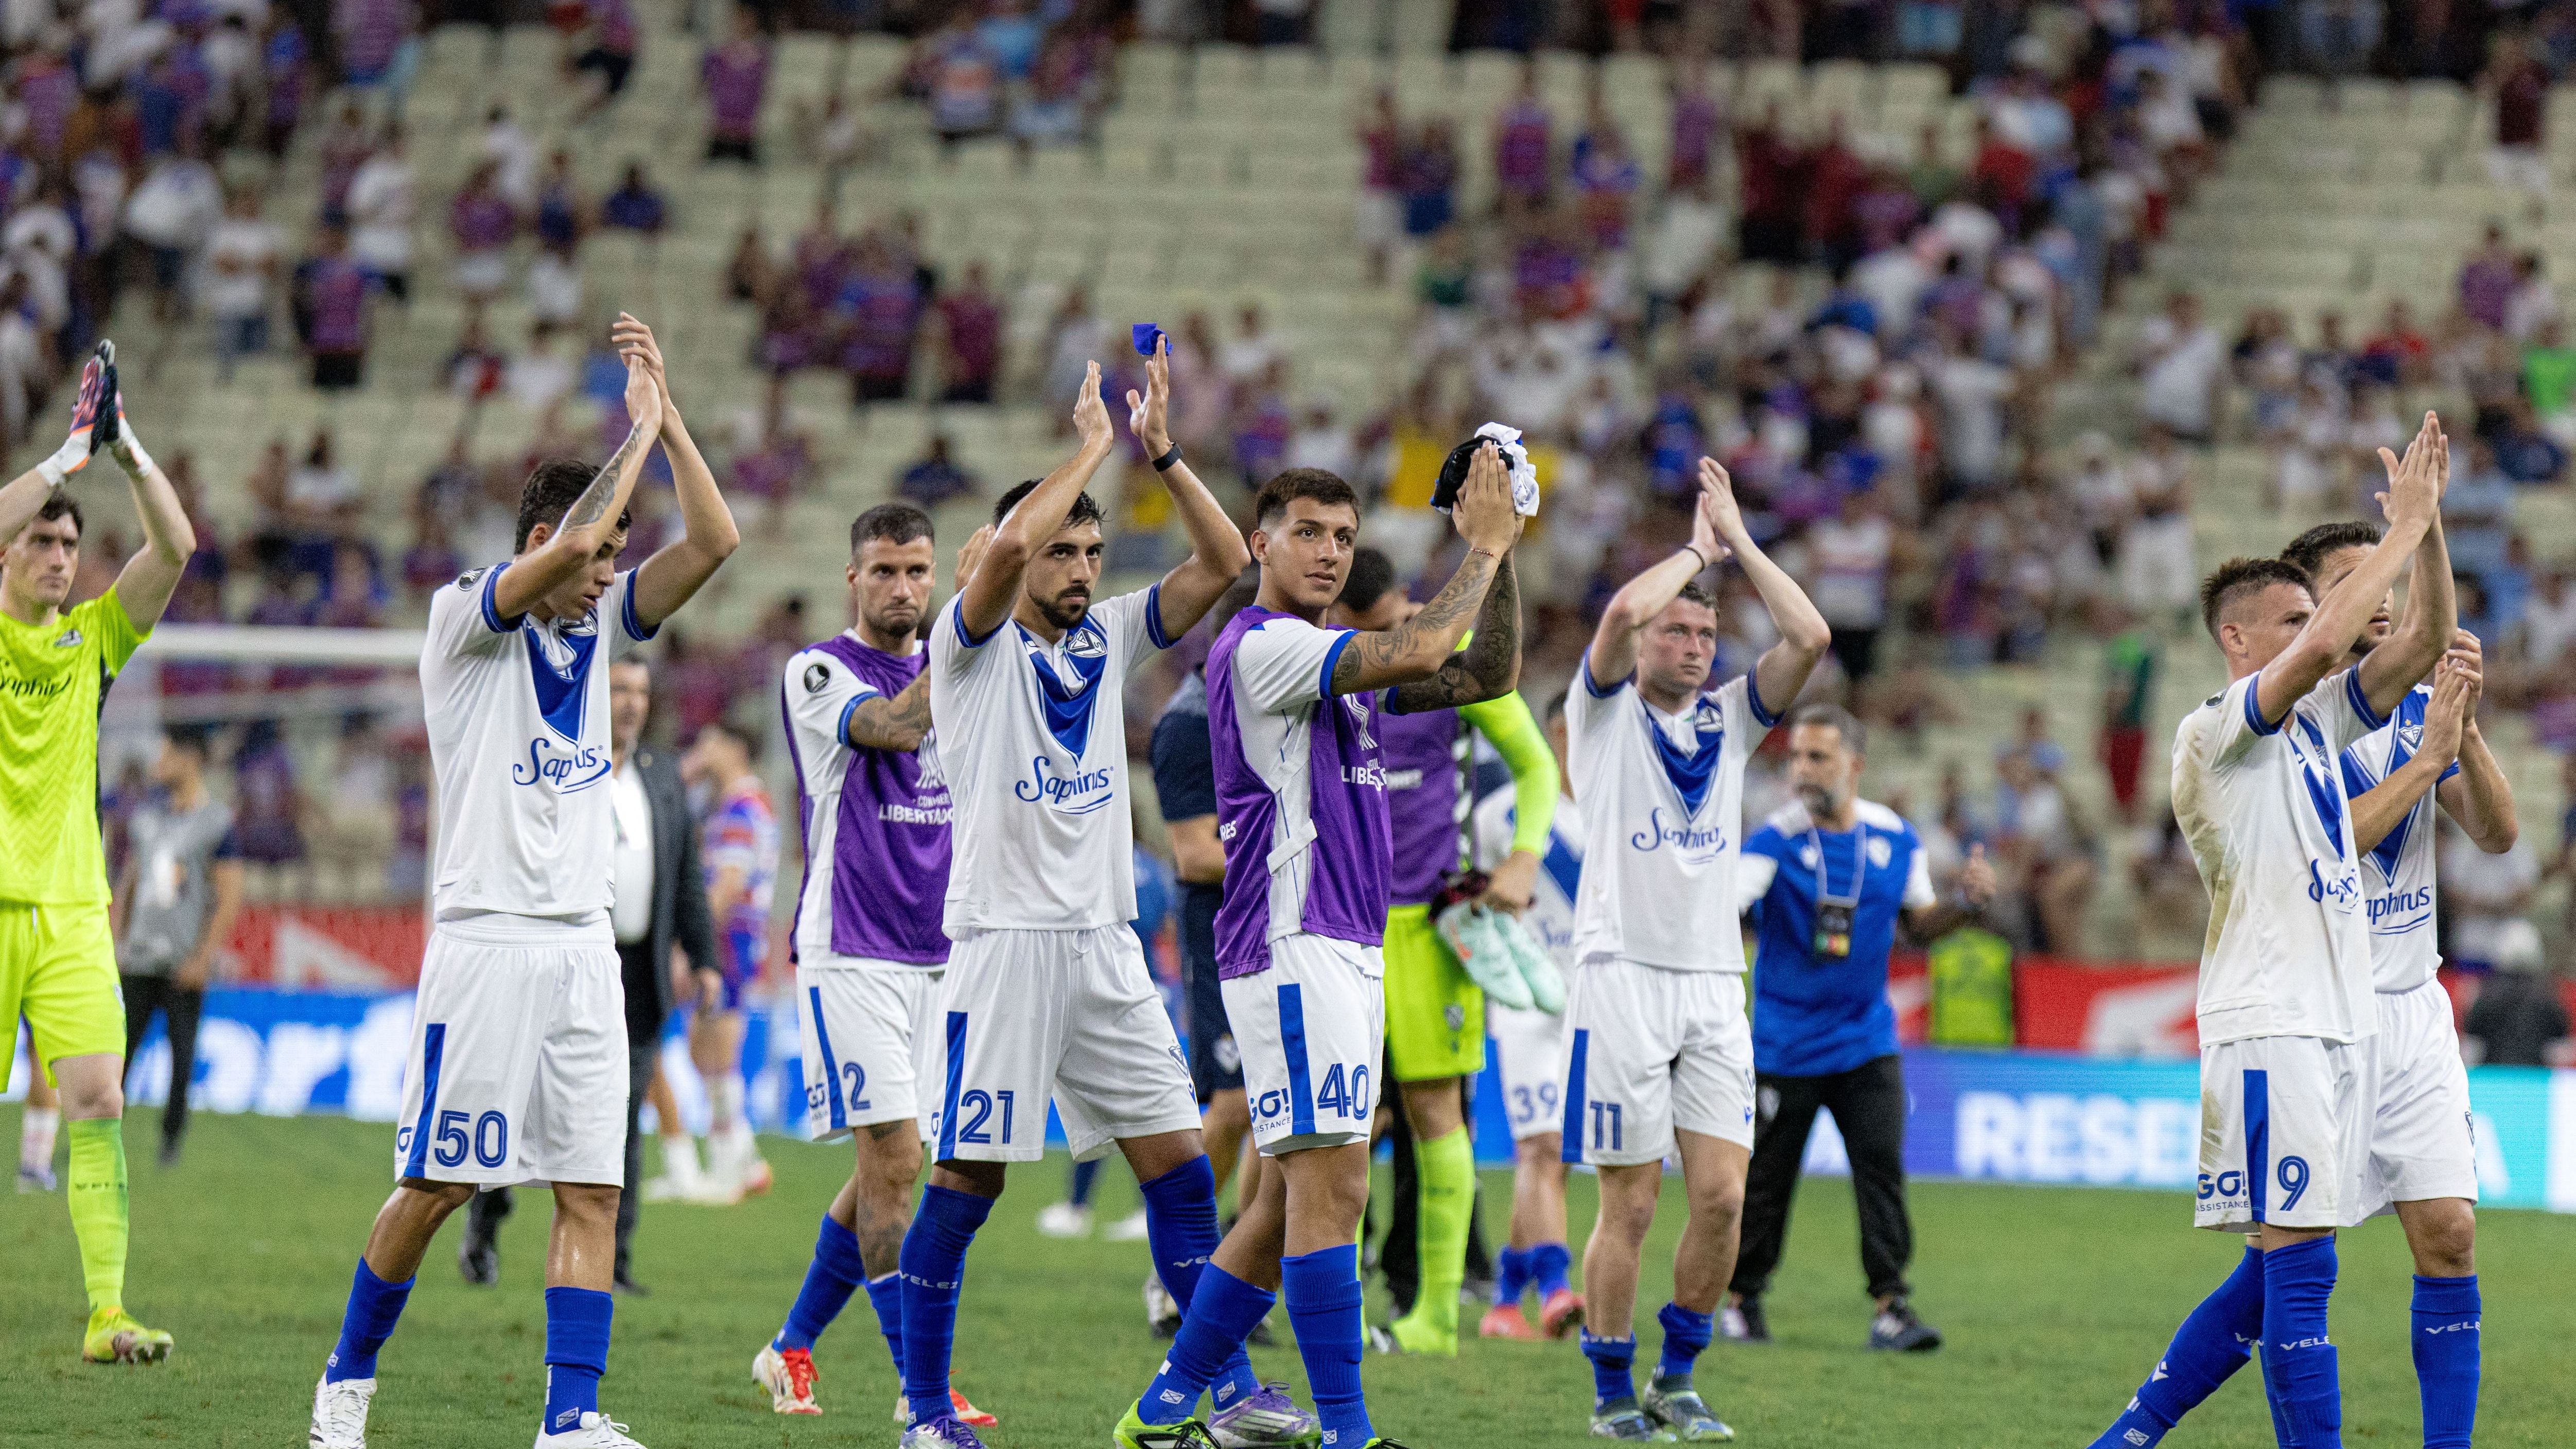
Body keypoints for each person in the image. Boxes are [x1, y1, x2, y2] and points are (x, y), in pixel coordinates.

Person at [308, 315, 738, 1449]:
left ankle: (572, 1416)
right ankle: (345, 1385)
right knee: (439, 1185)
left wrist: (671, 421)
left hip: (583, 947)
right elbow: (561, 558)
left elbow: (717, 540)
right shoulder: (466, 617)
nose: (609, 581)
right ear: (549, 535)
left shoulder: (597, 635)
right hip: (487, 942)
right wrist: (629, 438)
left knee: (592, 1189)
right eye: (598, 556)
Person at [1112, 445, 1525, 1449]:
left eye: (1345, 537)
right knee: (1336, 1183)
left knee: (1287, 1193)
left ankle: (1161, 1411)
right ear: (1259, 544)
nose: (1332, 552)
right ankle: (1347, 1429)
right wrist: (1483, 544)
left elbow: (1486, 669)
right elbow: (1424, 648)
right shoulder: (1263, 649)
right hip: (1294, 945)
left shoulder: (1331, 664)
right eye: (1309, 533)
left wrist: (1501, 556)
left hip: (1341, 946)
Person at [898, 343, 1258, 1449]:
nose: (1082, 567)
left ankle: (1231, 1389)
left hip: (1103, 944)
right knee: (969, 1181)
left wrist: (1165, 456)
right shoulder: (969, 646)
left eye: (1094, 550)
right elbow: (1004, 545)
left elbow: (1227, 559)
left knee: (1180, 1166)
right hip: (1003, 942)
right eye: (1066, 549)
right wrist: (1087, 448)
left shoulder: (1107, 635)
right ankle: (923, 1413)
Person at [2080, 415, 2457, 1449]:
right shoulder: (2220, 731)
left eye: (2312, 614)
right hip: (2270, 1018)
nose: (2314, 629)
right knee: (2302, 1275)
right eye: (2290, 618)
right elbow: (2340, 639)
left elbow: (2416, 642)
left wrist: (2429, 537)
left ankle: (2125, 1438)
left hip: (2329, 1023)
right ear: (2238, 639)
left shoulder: (2312, 731)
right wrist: (2400, 528)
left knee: (2276, 1272)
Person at [1561, 457, 1830, 1443]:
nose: (1690, 641)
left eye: (1706, 632)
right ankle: (1604, 1389)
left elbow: (1809, 635)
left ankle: (1676, 1378)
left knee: (1720, 1197)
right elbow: (1618, 616)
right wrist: (1691, 550)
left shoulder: (1726, 720)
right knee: (1627, 1205)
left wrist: (1741, 545)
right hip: (1619, 977)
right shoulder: (1597, 715)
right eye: (1677, 628)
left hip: (1715, 984)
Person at [753, 501, 995, 1429]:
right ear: (852, 578)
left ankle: (790, 1347)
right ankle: (918, 1390)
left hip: (939, 954)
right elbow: (895, 729)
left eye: (919, 573)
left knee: (888, 1170)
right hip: (849, 948)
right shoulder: (818, 670)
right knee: (895, 1161)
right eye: (885, 572)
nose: (903, 588)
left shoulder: (957, 668)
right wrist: (970, 619)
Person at [2281, 518, 2512, 1447]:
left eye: (2384, 583)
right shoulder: (2287, 717)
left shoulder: (2416, 709)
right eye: (2354, 581)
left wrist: (2460, 717)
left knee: (2448, 1232)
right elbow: (2336, 841)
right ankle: (2141, 1422)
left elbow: (2496, 836)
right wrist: (2420, 761)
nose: (2379, 599)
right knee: (2285, 1272)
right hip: (2316, 1015)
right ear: (2313, 608)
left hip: (2411, 1007)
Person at [0, 350, 194, 1364]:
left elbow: (177, 544)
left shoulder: (94, 643)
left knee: (99, 1101)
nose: (58, 555)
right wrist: (62, 456)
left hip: (74, 912)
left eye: (69, 544)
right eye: (40, 540)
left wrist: (122, 452)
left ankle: (107, 1310)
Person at [1330, 545, 1555, 1357]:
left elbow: (1535, 763)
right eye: (1377, 629)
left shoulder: (1451, 673)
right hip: (1332, 921)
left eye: (1402, 623)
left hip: (1429, 923)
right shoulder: (1315, 663)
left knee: (1436, 1111)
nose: (1396, 643)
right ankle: (1333, 1310)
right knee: (1334, 1126)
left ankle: (1433, 1313)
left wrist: (1525, 856)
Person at [1724, 705, 1995, 1351]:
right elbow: (1726, 905)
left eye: (1818, 756)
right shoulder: (1773, 840)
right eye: (1795, 757)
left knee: (1880, 1171)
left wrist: (1965, 904)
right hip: (1785, 1045)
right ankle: (1741, 1299)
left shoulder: (1896, 837)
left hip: (1867, 1040)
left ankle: (1891, 1306)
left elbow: (1920, 924)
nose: (1802, 770)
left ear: (1855, 764)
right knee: (1766, 1183)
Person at [461, 655, 721, 1295]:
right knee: (514, 1108)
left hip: (634, 971)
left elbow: (686, 875)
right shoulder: (561, 766)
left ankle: (616, 1262)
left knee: (622, 1119)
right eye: (620, 689)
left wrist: (705, 956)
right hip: (553, 960)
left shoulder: (662, 778)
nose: (632, 702)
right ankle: (485, 1227)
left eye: (641, 689)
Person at [1471, 690, 1583, 1343]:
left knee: (1553, 1161)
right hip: (1524, 1007)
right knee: (1541, 1147)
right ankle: (1557, 1287)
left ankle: (1505, 1301)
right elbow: (1471, 902)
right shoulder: (1499, 815)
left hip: (1593, 1007)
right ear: (1553, 731)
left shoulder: (1622, 810)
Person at [112, 725, 243, 1168]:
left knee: (181, 1056)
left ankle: (170, 1142)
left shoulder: (217, 823)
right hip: (139, 956)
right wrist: (116, 939)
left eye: (165, 755)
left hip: (182, 960)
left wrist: (203, 956)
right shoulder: (146, 818)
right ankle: (100, 1138)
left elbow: (228, 893)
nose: (158, 764)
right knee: (118, 1053)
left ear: (189, 759)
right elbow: (129, 881)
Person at [677, 718, 777, 1202]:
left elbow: (729, 883)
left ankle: (733, 1165)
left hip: (729, 939)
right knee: (706, 1051)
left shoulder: (741, 806)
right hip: (735, 938)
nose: (702, 747)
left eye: (710, 739)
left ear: (736, 746)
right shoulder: (737, 804)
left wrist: (692, 943)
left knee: (717, 1053)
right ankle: (739, 1157)